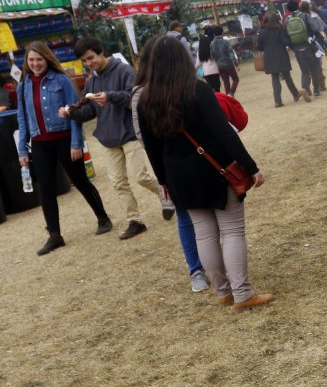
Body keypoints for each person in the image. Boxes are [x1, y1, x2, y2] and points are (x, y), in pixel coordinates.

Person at [138, 35, 272, 311]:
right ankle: (242, 293)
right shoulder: (196, 90)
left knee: (204, 234)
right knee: (232, 231)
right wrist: (250, 166)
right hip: (214, 170)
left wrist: (163, 180)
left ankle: (223, 291)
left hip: (178, 177)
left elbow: (151, 147)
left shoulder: (145, 100)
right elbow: (224, 133)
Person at [64, 36, 173, 240]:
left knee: (140, 176)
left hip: (131, 133)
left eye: (91, 58)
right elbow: (89, 112)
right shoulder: (91, 81)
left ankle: (169, 195)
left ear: (101, 52)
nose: (89, 64)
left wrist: (110, 96)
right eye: (85, 61)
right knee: (119, 183)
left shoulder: (125, 71)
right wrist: (71, 112)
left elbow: (136, 99)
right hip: (107, 137)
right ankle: (135, 221)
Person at [16, 42, 112, 256]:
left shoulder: (61, 80)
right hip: (40, 143)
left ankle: (103, 218)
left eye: (39, 59)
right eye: (31, 60)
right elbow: (22, 119)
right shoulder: (23, 85)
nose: (35, 64)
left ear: (47, 59)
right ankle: (55, 235)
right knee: (46, 189)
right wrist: (22, 150)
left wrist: (76, 143)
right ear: (27, 62)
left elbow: (75, 112)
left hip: (65, 140)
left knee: (81, 181)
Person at [131, 36, 208, 292]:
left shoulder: (182, 86)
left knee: (205, 218)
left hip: (190, 164)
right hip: (174, 166)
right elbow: (145, 138)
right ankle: (197, 269)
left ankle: (211, 266)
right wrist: (163, 176)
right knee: (187, 219)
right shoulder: (143, 95)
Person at [257, 11, 309, 107]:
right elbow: (285, 42)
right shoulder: (279, 29)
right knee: (287, 76)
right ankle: (295, 94)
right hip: (281, 55)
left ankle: (277, 101)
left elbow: (260, 47)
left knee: (275, 78)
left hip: (269, 58)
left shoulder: (262, 32)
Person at [210, 26, 240, 96]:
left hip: (219, 65)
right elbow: (231, 54)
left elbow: (212, 56)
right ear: (222, 33)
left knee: (226, 82)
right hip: (228, 63)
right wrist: (236, 64)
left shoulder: (211, 44)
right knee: (235, 79)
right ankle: (231, 92)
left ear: (214, 34)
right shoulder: (225, 42)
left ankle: (228, 97)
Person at [196, 26, 220, 92]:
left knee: (210, 89)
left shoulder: (199, 52)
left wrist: (193, 71)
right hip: (215, 71)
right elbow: (217, 58)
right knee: (217, 89)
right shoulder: (212, 49)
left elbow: (198, 64)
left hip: (206, 73)